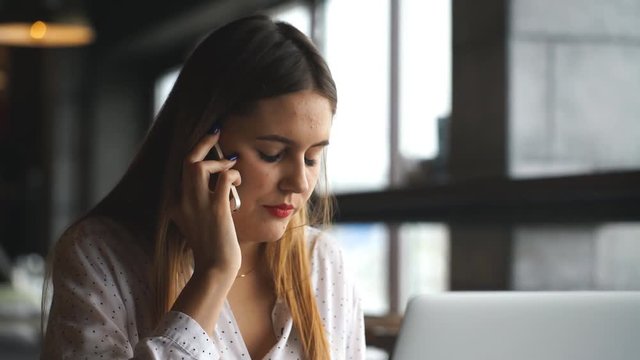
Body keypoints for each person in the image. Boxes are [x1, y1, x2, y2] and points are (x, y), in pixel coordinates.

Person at [41, 14, 365, 360]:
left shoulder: (324, 263)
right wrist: (214, 273)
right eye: (272, 154)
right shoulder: (100, 256)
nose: (300, 183)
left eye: (313, 158)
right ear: (205, 146)